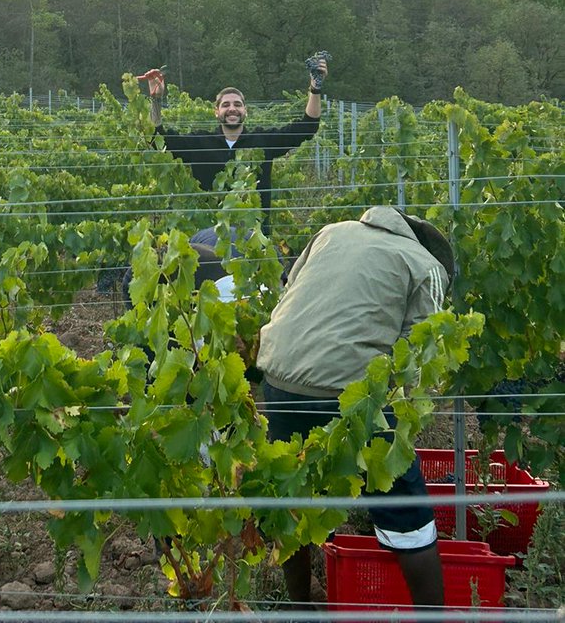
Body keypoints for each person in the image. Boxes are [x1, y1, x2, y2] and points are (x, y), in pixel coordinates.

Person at [255, 205, 456, 608]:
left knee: (294, 500)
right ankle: (433, 616)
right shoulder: (425, 264)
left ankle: (302, 609)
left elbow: (290, 291)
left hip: (276, 381)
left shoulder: (332, 231)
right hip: (347, 393)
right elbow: (419, 351)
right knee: (406, 510)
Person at [139, 61, 327, 234]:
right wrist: (155, 100)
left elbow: (307, 127)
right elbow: (157, 140)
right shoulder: (200, 143)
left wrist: (315, 87)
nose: (232, 109)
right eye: (226, 105)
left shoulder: (263, 140)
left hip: (253, 238)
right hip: (208, 237)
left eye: (237, 104)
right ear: (216, 112)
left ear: (245, 111)